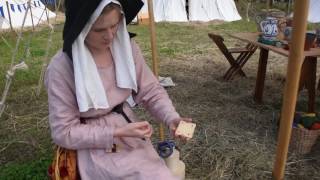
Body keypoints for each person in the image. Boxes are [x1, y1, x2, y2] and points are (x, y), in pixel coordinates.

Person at [44, 0, 191, 179]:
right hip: (92, 145)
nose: (109, 35)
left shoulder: (126, 48)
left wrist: (171, 117)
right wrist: (115, 133)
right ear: (82, 26)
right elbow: (64, 131)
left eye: (114, 25)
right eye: (99, 30)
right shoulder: (62, 67)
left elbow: (151, 90)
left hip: (126, 128)